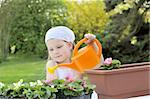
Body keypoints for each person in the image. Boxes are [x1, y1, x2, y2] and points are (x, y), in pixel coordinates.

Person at [45, 26, 103, 99]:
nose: (55, 52)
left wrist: (92, 43)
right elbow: (53, 82)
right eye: (51, 49)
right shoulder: (52, 64)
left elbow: (98, 63)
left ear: (69, 45)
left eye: (59, 47)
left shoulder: (77, 62)